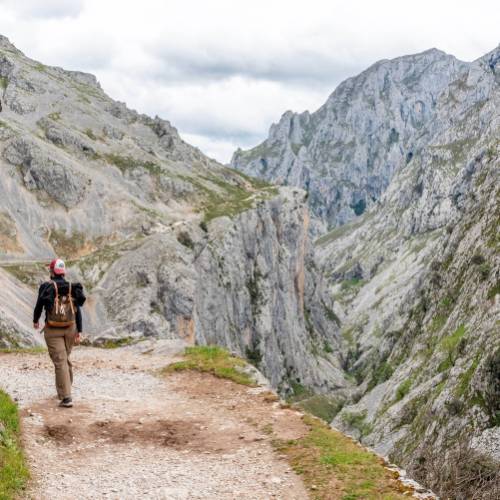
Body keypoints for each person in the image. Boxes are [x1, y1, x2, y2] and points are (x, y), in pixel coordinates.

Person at [33, 258, 86, 407]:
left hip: (53, 329)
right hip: (71, 327)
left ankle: (66, 397)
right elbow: (77, 311)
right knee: (64, 359)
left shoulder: (46, 286)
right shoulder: (72, 287)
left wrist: (36, 320)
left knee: (60, 361)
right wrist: (79, 330)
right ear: (63, 272)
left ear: (51, 271)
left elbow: (39, 305)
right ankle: (63, 391)